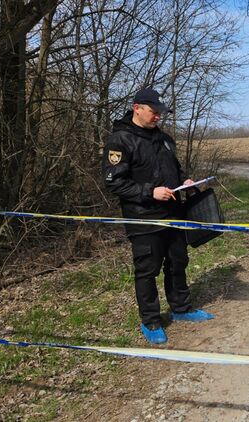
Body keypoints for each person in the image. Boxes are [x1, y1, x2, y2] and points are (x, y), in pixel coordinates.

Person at [102, 88, 213, 344]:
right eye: (154, 112)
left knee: (178, 261)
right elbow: (114, 182)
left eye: (160, 113)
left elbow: (175, 169)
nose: (158, 117)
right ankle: (151, 321)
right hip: (144, 219)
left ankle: (181, 308)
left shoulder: (164, 139)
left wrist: (185, 181)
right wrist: (150, 192)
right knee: (147, 270)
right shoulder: (120, 141)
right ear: (137, 108)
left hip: (173, 214)